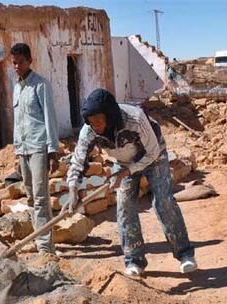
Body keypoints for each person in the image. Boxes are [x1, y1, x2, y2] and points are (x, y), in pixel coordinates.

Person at [65, 88, 197, 276]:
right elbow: (78, 161)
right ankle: (134, 260)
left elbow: (152, 152)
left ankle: (185, 254)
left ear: (110, 116)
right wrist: (72, 190)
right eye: (92, 123)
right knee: (125, 206)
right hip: (123, 162)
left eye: (99, 121)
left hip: (154, 156)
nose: (96, 127)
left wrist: (126, 172)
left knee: (163, 201)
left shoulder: (134, 118)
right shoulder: (89, 131)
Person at [10, 43, 59, 255]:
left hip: (39, 146)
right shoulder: (17, 88)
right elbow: (18, 121)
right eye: (14, 63)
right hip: (23, 148)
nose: (17, 66)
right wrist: (16, 149)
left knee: (41, 197)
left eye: (20, 62)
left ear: (30, 61)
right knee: (30, 196)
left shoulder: (40, 85)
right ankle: (36, 236)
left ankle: (45, 247)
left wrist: (53, 149)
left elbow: (50, 117)